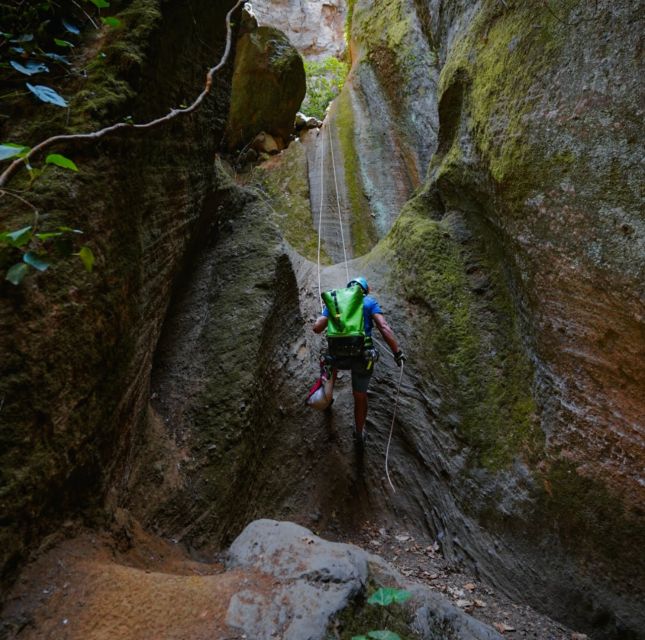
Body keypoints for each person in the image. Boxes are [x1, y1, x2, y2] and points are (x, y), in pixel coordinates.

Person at [313, 277, 405, 444]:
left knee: (330, 366)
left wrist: (326, 313)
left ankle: (326, 400)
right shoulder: (369, 302)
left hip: (337, 355)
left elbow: (317, 328)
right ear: (364, 290)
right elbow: (384, 327)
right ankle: (360, 433)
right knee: (360, 396)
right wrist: (397, 352)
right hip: (362, 357)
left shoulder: (336, 303)